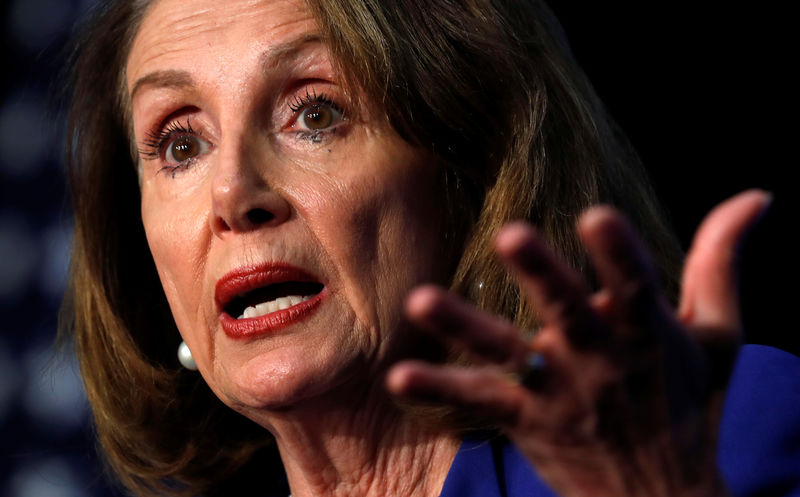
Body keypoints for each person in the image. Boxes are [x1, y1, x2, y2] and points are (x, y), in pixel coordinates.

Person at [60, 0, 799, 496]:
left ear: (468, 176)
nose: (232, 194)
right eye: (180, 143)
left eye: (314, 114)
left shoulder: (712, 428)